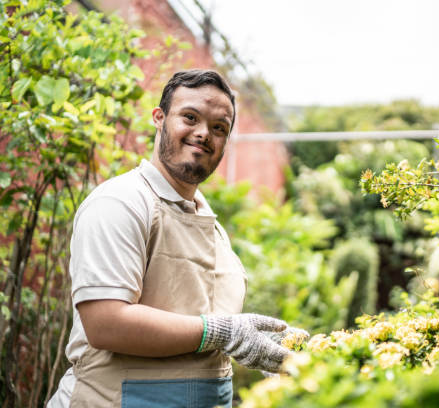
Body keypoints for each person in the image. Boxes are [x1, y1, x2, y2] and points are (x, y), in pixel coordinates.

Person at [48, 70, 292, 407]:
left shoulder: (211, 226)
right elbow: (105, 323)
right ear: (159, 119)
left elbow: (199, 320)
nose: (204, 133)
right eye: (190, 117)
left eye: (219, 127)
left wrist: (253, 342)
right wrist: (224, 331)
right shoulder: (122, 202)